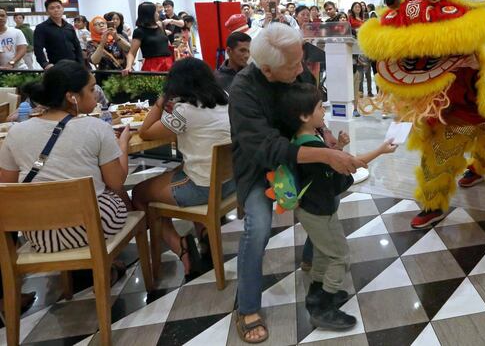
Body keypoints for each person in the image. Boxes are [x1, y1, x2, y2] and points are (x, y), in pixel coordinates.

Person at [227, 23, 365, 342]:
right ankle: (247, 306)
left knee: (326, 199)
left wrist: (325, 135)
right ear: (266, 69)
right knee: (258, 226)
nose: (301, 69)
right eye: (293, 65)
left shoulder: (296, 69)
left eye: (301, 60)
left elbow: (310, 105)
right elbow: (265, 148)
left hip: (300, 157)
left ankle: (311, 257)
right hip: (258, 165)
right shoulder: (243, 90)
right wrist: (324, 157)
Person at [275, 83, 396, 329]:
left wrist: (337, 148)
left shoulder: (302, 141)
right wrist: (382, 150)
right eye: (320, 107)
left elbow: (329, 165)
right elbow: (352, 163)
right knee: (340, 256)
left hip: (310, 207)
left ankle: (316, 293)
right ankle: (324, 307)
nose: (323, 111)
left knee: (322, 252)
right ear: (304, 116)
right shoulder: (313, 146)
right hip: (319, 210)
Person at [0, 61, 130, 256]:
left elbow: (9, 186)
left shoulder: (16, 131)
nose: (96, 94)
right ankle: (105, 264)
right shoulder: (97, 128)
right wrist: (123, 145)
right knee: (118, 196)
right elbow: (117, 181)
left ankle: (83, 271)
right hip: (94, 226)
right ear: (72, 97)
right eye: (92, 89)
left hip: (40, 234)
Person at [131, 58, 235, 276]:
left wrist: (162, 101)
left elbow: (145, 132)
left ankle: (180, 247)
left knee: (140, 193)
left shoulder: (186, 111)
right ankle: (204, 233)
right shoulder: (225, 99)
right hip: (231, 184)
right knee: (175, 174)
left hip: (202, 189)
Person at [33, 0, 83, 69]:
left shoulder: (69, 27)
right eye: (52, 8)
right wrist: (45, 64)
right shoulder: (41, 28)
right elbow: (38, 49)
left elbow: (77, 46)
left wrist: (81, 64)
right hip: (56, 66)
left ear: (62, 9)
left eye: (58, 7)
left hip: (74, 65)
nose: (56, 10)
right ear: (47, 11)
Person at [125, 2, 174, 73]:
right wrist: (128, 66)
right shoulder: (139, 31)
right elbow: (132, 52)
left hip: (168, 62)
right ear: (149, 14)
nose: (158, 14)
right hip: (153, 65)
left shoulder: (160, 26)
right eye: (156, 12)